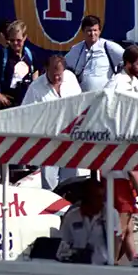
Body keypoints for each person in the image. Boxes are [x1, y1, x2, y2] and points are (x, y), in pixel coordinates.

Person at [22, 55, 83, 190]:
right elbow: (25, 113)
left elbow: (81, 103)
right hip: (48, 141)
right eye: (53, 75)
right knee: (49, 182)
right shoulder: (36, 87)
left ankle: (68, 206)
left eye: (59, 75)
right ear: (45, 70)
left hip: (70, 138)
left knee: (71, 181)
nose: (57, 78)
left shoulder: (71, 78)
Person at [56, 178, 122, 266]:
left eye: (102, 197)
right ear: (86, 197)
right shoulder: (72, 216)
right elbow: (64, 241)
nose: (101, 201)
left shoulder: (110, 214)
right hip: (78, 265)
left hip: (103, 264)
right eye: (97, 197)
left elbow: (117, 239)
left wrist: (114, 261)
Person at [0, 20, 38, 108]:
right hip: (9, 104)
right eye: (12, 40)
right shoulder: (3, 55)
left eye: (18, 40)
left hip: (28, 102)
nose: (15, 43)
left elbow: (36, 70)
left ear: (25, 37)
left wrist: (33, 87)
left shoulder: (30, 54)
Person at [65, 15, 124, 93]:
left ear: (100, 31)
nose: (92, 34)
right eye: (89, 30)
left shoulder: (109, 47)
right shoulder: (76, 49)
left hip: (103, 98)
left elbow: (129, 58)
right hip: (82, 98)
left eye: (95, 30)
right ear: (83, 31)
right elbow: (62, 66)